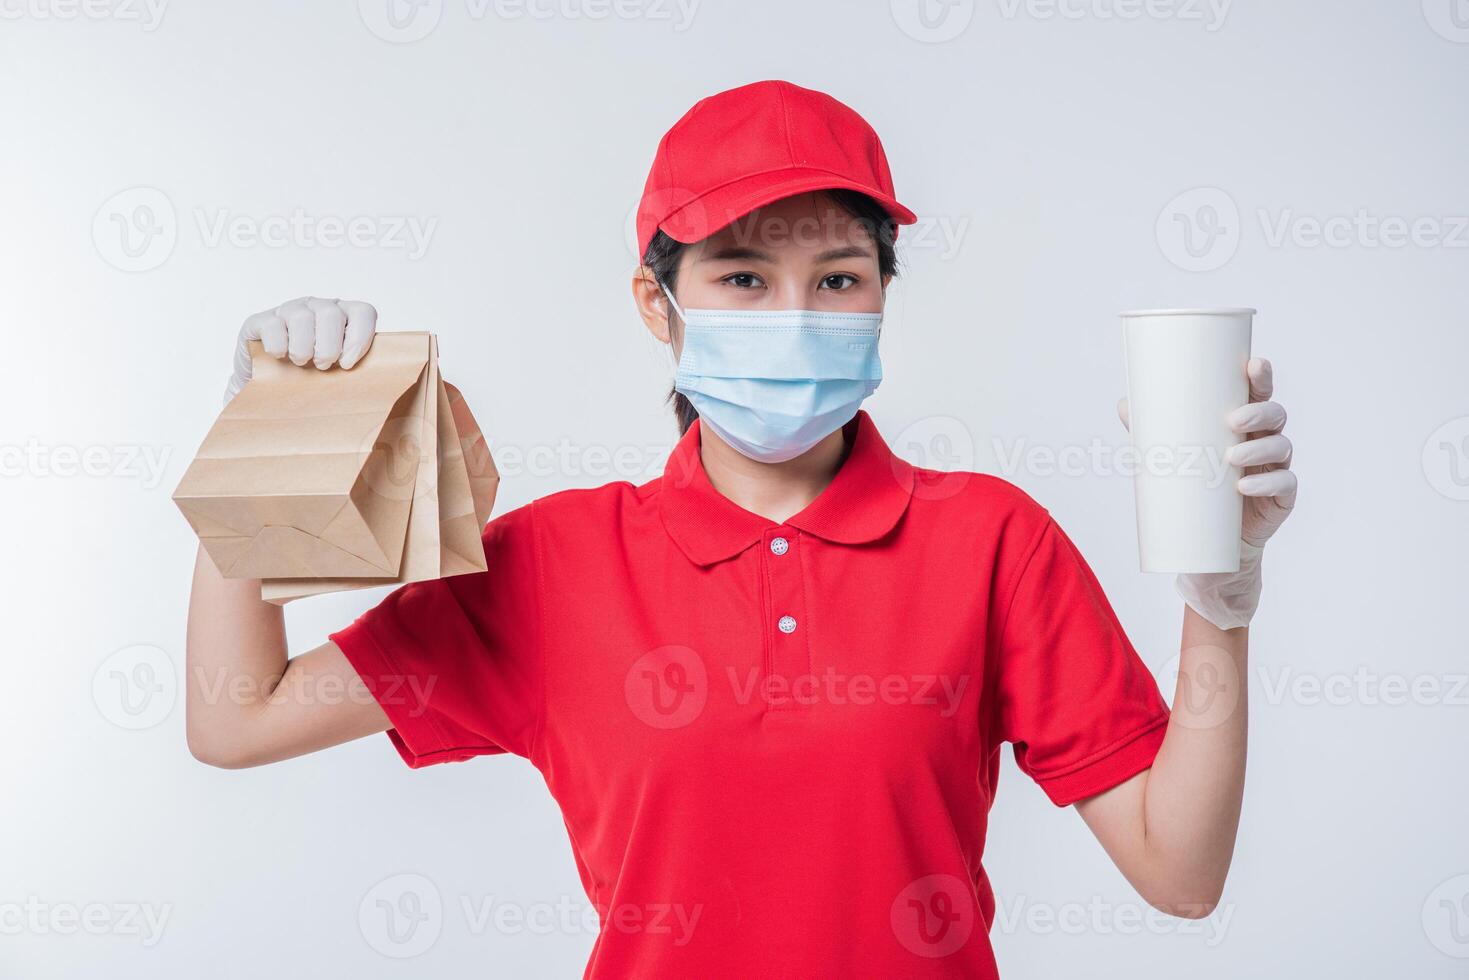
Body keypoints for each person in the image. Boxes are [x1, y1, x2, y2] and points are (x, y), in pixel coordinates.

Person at [186, 80, 1297, 977]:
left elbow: (1178, 870)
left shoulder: (993, 540)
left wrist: (1219, 596)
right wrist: (266, 435)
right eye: (742, 276)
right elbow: (237, 721)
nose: (795, 315)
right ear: (652, 302)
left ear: (879, 295)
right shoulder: (554, 562)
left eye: (838, 276)